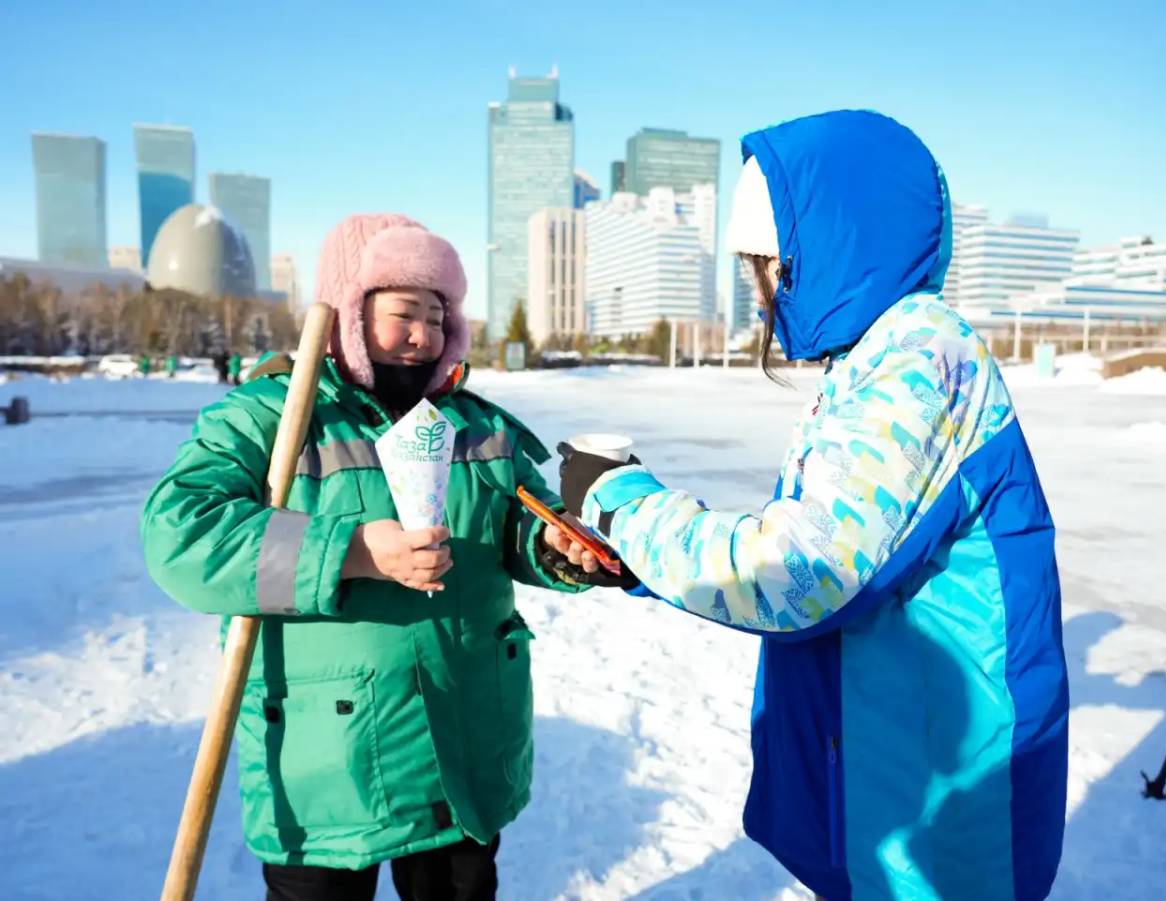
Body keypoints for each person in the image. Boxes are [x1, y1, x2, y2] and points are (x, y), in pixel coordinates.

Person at [550, 111, 1069, 901]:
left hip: (940, 812)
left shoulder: (920, 356)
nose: (759, 294)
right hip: (889, 776)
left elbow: (801, 569)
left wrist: (621, 500)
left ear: (814, 251)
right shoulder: (877, 359)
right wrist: (639, 565)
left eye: (762, 265)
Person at [142, 214, 618, 901]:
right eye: (403, 313)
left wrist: (553, 545)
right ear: (347, 309)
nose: (422, 334)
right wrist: (350, 550)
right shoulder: (272, 418)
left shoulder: (475, 425)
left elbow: (518, 521)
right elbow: (179, 533)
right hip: (328, 773)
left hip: (463, 755)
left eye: (437, 314)